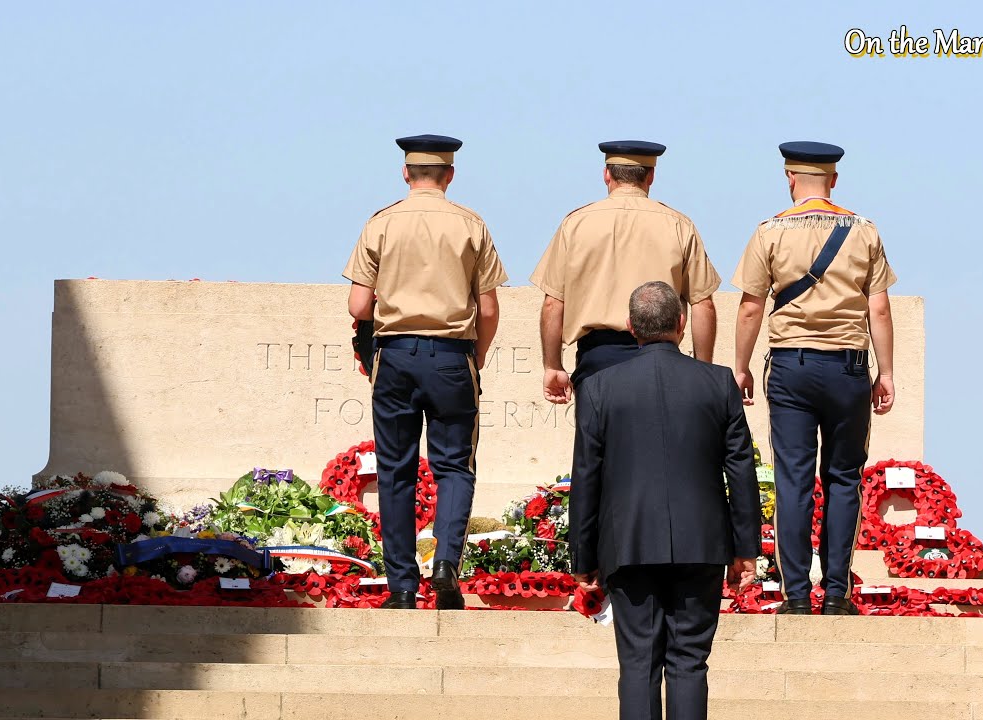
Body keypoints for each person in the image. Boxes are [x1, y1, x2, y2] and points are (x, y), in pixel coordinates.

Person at [570, 281, 760, 720]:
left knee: (638, 663)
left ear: (630, 328)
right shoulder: (718, 382)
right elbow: (741, 470)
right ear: (681, 323)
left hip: (629, 543)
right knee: (689, 663)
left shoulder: (599, 387)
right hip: (703, 543)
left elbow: (587, 475)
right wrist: (745, 549)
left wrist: (582, 555)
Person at [731, 141, 897, 616]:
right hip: (847, 366)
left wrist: (740, 366)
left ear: (790, 179)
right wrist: (886, 372)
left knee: (794, 480)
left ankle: (797, 595)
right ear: (834, 181)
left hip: (791, 366)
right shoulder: (863, 230)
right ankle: (839, 593)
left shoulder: (770, 232)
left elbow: (750, 306)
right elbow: (879, 308)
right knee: (844, 478)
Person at [342, 134, 508, 610]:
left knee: (395, 471)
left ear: (405, 173)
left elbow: (358, 303)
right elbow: (489, 307)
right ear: (449, 175)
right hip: (452, 356)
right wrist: (475, 355)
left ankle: (400, 585)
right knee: (454, 466)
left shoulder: (381, 223)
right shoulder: (470, 225)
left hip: (394, 356)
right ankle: (447, 562)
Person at [530, 141, 720, 404]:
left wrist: (553, 366)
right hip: (661, 359)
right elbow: (703, 304)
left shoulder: (576, 224)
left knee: (597, 444)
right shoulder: (679, 225)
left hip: (598, 359)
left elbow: (553, 303)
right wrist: (702, 369)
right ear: (651, 176)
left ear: (606, 174)